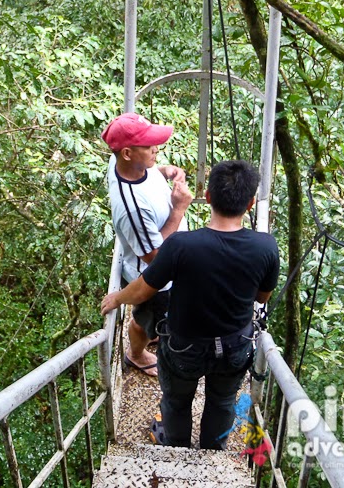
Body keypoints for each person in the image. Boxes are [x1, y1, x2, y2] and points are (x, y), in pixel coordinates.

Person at [101, 160, 279, 449]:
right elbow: (262, 297)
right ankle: (212, 450)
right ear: (249, 205)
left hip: (184, 346)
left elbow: (144, 289)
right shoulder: (266, 246)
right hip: (235, 345)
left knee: (176, 400)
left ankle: (176, 446)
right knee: (222, 402)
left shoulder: (181, 245)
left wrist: (116, 298)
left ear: (207, 197)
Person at [101, 113, 193, 377]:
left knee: (155, 317)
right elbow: (154, 258)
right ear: (128, 153)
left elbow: (151, 170)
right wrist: (179, 209)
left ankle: (152, 332)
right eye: (149, 145)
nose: (156, 149)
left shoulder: (123, 162)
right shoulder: (132, 207)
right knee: (144, 321)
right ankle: (136, 355)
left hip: (169, 264)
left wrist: (165, 171)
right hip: (155, 278)